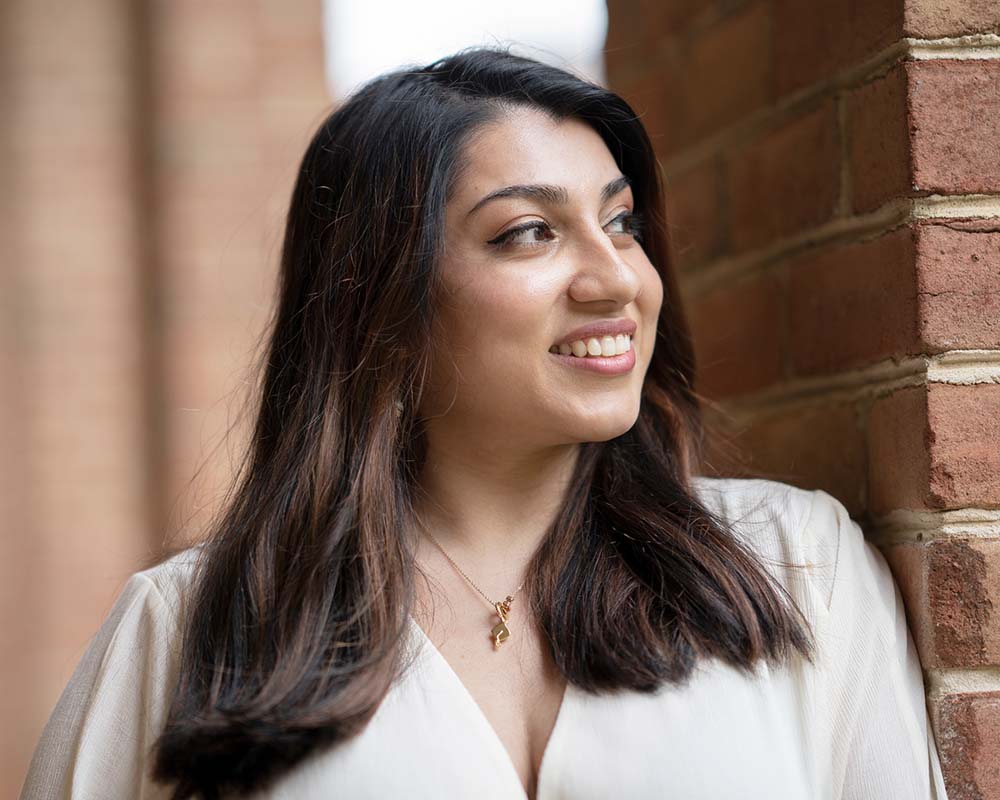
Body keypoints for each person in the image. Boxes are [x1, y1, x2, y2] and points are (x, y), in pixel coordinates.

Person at [20, 46, 948, 800]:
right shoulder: (190, 629)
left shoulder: (795, 566)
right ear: (385, 302)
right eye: (528, 233)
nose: (617, 279)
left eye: (620, 223)